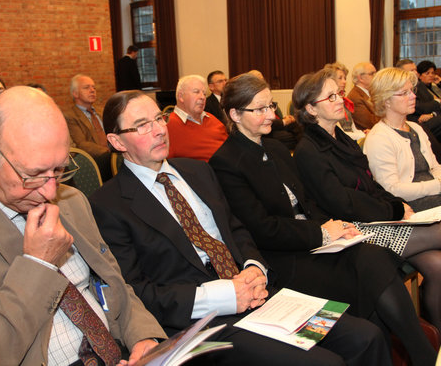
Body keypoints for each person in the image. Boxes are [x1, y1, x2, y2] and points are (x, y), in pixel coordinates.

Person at [89, 90, 392, 366]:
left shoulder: (196, 171)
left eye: (159, 118)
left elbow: (236, 229)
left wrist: (254, 266)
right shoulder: (109, 203)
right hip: (200, 322)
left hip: (256, 293)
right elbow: (135, 291)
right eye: (141, 125)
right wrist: (224, 293)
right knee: (322, 363)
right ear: (116, 141)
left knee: (366, 336)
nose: (158, 129)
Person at [208, 73, 437, 366]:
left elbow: (308, 202)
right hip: (283, 257)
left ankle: (419, 353)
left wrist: (335, 228)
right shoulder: (226, 162)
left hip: (313, 240)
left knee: (373, 256)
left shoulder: (276, 148)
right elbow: (263, 229)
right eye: (260, 109)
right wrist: (322, 234)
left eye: (271, 107)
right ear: (234, 114)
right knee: (368, 270)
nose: (271, 115)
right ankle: (421, 354)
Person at [0, 86, 166, 365]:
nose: (48, 192)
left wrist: (144, 337)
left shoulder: (72, 200)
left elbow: (115, 285)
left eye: (58, 170)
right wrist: (38, 265)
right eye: (33, 175)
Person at [291, 68, 441, 334]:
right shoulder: (308, 149)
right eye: (331, 97)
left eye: (338, 94)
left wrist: (395, 203)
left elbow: (372, 185)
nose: (340, 100)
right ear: (311, 109)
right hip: (354, 229)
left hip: (375, 218)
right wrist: (393, 207)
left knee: (437, 266)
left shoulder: (342, 138)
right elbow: (342, 203)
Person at [363, 67, 441, 212]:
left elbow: (435, 168)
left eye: (412, 91)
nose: (413, 96)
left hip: (434, 197)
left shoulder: (416, 128)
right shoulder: (379, 138)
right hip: (411, 206)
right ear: (386, 100)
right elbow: (392, 190)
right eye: (404, 93)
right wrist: (436, 185)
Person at [167, 75, 228, 162]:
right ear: (181, 96)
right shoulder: (168, 126)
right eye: (196, 92)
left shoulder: (212, 119)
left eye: (204, 93)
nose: (203, 97)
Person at [64, 74, 111, 181]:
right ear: (75, 93)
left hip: (113, 153)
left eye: (93, 87)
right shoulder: (70, 116)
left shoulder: (102, 111)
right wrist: (108, 152)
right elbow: (82, 144)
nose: (92, 90)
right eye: (86, 87)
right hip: (96, 159)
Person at [397, 59, 441, 161]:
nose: (416, 73)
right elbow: (421, 107)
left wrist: (432, 114)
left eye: (415, 70)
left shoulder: (419, 85)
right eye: (412, 70)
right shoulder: (400, 89)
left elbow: (434, 107)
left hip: (426, 120)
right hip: (415, 122)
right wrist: (437, 102)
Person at [248, 69, 304, 150]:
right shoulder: (252, 101)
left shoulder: (268, 100)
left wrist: (285, 119)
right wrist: (284, 122)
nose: (262, 82)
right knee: (289, 137)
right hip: (268, 131)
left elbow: (275, 117)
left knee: (298, 127)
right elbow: (271, 120)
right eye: (258, 80)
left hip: (275, 127)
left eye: (262, 79)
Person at [323, 62, 366, 141]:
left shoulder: (345, 102)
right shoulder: (329, 103)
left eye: (345, 78)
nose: (344, 81)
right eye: (340, 78)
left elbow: (353, 128)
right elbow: (340, 134)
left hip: (349, 140)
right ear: (330, 80)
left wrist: (364, 133)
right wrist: (363, 135)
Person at [347, 62, 379, 130]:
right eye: (372, 74)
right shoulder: (355, 98)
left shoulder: (372, 93)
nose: (376, 76)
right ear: (360, 78)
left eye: (376, 73)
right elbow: (370, 123)